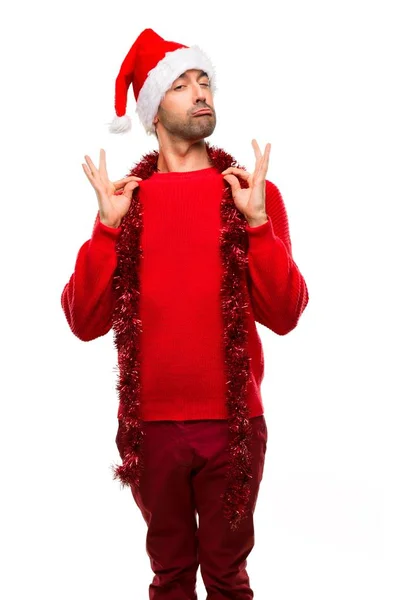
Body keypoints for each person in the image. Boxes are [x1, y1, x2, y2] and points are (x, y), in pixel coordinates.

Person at [61, 27, 309, 600]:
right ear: (153, 110)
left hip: (234, 426)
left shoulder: (249, 194)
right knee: (170, 578)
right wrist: (106, 230)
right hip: (150, 430)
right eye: (181, 84)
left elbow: (288, 312)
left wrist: (257, 226)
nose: (201, 93)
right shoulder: (127, 201)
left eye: (205, 82)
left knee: (227, 578)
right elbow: (83, 320)